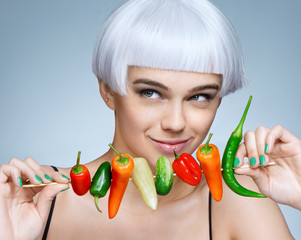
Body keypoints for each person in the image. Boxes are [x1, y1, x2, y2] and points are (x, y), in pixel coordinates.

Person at [0, 0, 300, 239]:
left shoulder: (238, 203)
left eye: (199, 96)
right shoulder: (35, 200)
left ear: (218, 100)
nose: (175, 122)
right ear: (108, 91)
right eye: (151, 92)